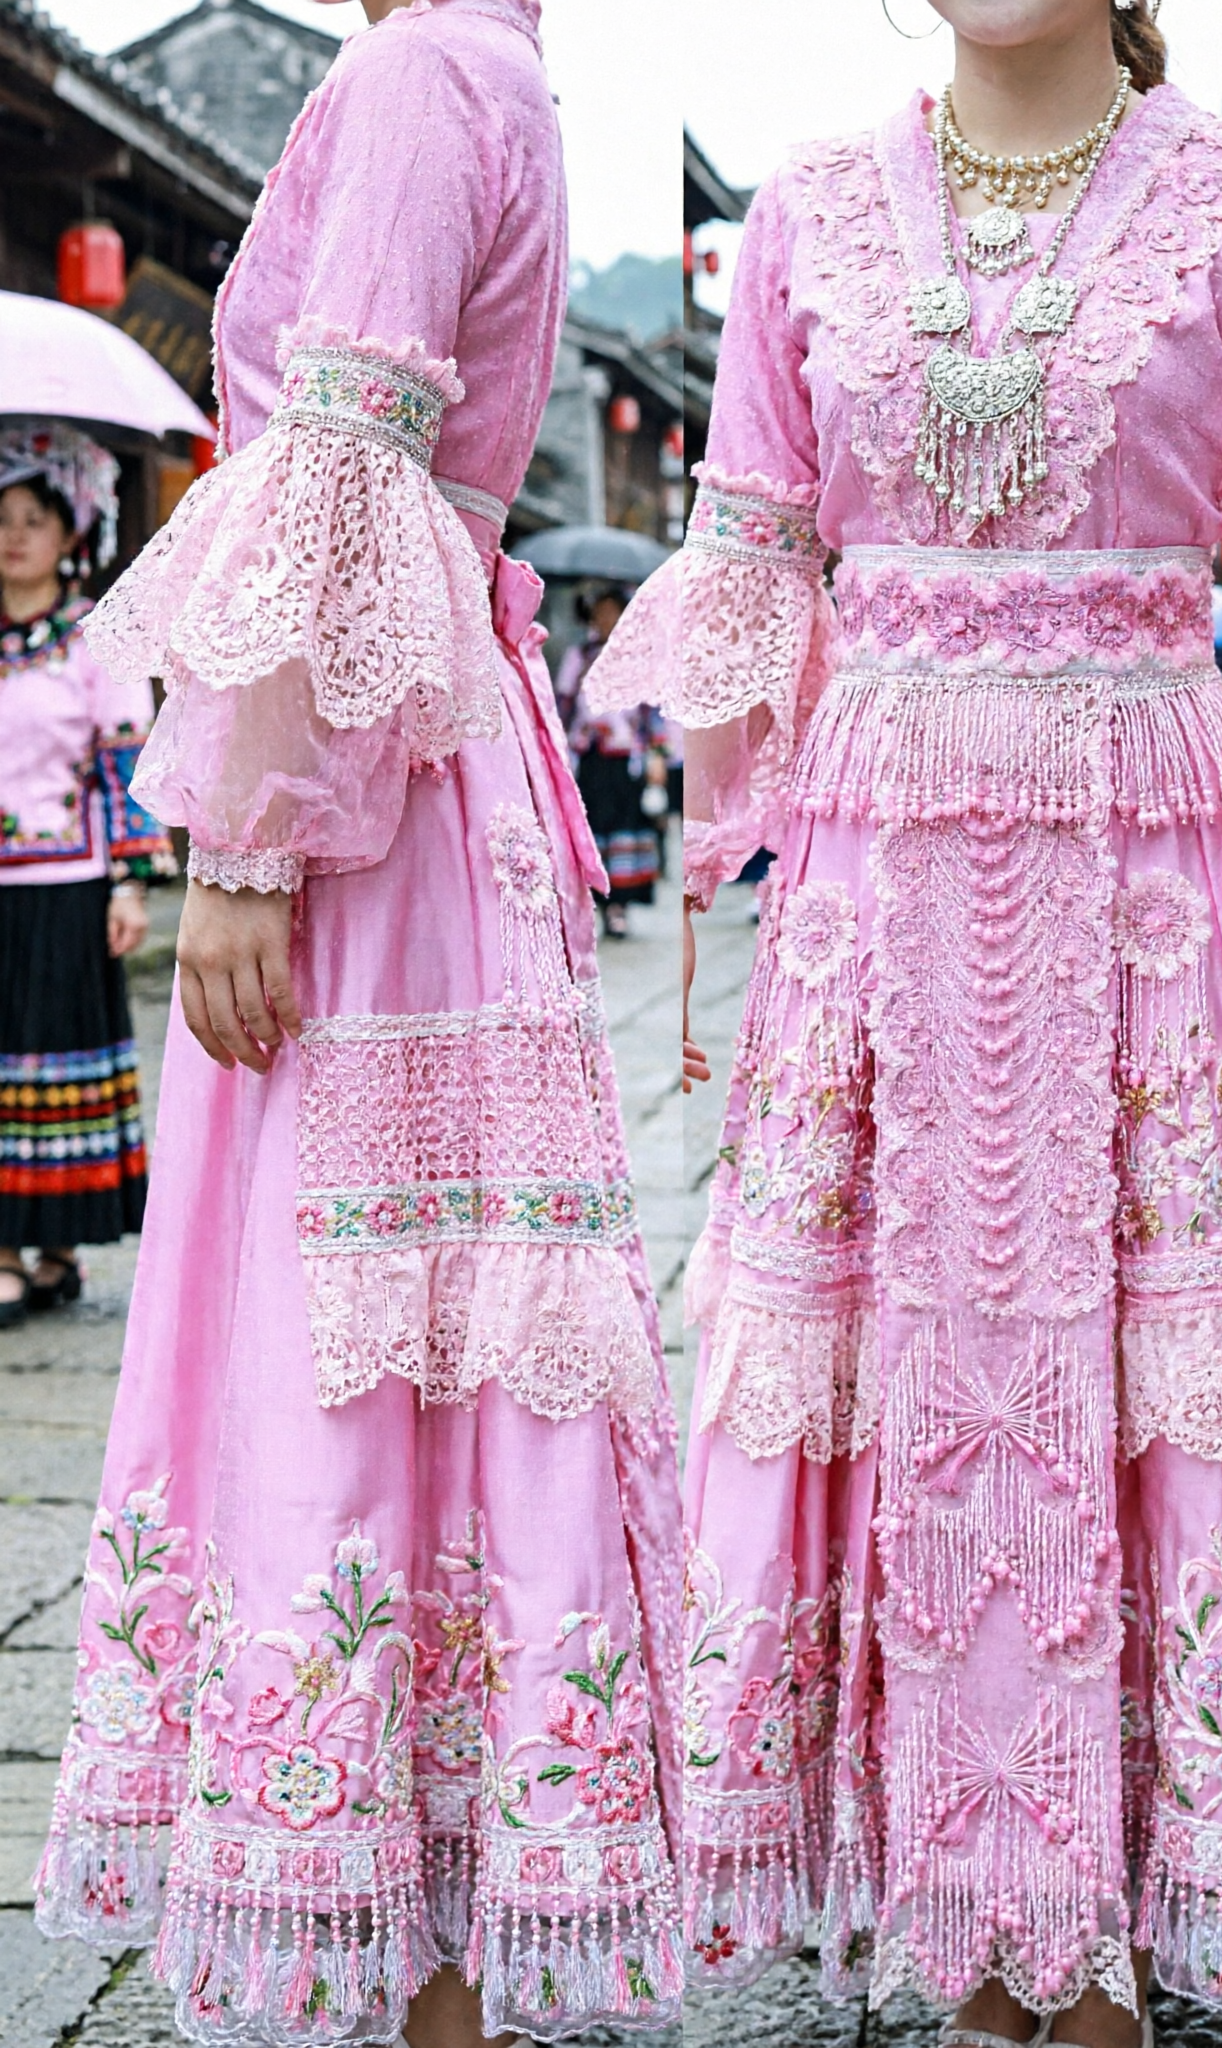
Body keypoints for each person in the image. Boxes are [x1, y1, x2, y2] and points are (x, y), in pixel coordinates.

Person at [587, 1, 1222, 2042]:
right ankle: (950, 1907)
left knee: (1156, 1367)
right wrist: (731, 823)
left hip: (1155, 877)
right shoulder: (804, 218)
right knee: (885, 1355)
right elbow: (749, 545)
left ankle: (1106, 1921)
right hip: (881, 895)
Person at [30, 5, 695, 2046]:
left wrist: (243, 832)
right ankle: (441, 1955)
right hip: (447, 765)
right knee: (442, 1351)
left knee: (346, 1342)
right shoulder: (499, 74)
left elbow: (345, 449)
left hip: (364, 798)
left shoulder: (418, 75)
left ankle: (408, 1958)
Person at [0, 426, 170, 1327]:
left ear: (70, 534)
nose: (13, 537)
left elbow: (124, 767)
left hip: (67, 885)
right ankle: (2, 1249)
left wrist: (130, 883)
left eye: (32, 519)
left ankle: (57, 1246)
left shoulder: (95, 641)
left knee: (55, 1062)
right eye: (0, 521)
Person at [557, 585, 667, 938]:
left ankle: (618, 906)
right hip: (588, 759)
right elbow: (562, 705)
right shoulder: (580, 656)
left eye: (613, 612)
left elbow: (653, 712)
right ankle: (592, 906)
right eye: (601, 612)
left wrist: (658, 754)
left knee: (624, 828)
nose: (607, 620)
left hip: (626, 761)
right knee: (591, 828)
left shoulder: (637, 658)